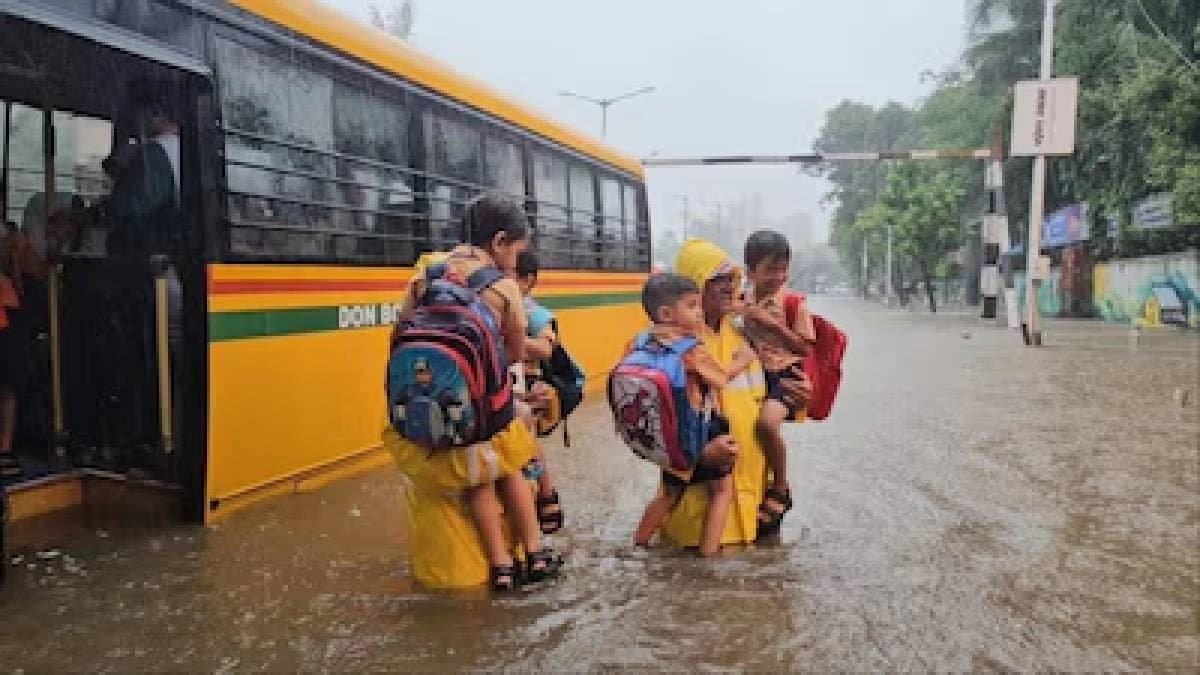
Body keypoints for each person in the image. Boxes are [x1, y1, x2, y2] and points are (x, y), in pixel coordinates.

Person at [389, 193, 562, 591]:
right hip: (488, 415)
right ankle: (534, 553)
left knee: (474, 485)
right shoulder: (503, 287)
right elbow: (515, 353)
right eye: (517, 251)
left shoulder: (425, 276)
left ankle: (499, 566)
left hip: (431, 415)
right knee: (509, 471)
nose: (516, 260)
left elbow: (399, 334)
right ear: (499, 242)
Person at [659, 238, 811, 548]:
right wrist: (699, 454)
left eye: (732, 279)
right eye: (718, 280)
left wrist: (802, 398)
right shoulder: (674, 343)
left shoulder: (742, 336)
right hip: (700, 514)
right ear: (695, 287)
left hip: (757, 504)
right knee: (700, 586)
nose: (729, 287)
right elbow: (649, 422)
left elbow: (767, 402)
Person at [627, 273, 756, 556]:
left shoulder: (639, 341)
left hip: (666, 432)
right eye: (692, 306)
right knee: (722, 490)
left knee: (670, 494)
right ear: (666, 313)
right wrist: (741, 361)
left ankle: (638, 544)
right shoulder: (691, 349)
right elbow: (720, 379)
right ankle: (708, 555)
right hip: (698, 428)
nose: (699, 312)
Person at [736, 230, 816, 537]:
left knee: (767, 426)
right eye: (770, 269)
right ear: (750, 271)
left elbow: (806, 348)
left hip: (785, 375)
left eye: (783, 269)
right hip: (753, 375)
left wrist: (772, 324)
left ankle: (781, 486)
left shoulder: (793, 303)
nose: (778, 276)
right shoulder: (742, 300)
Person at [512, 251, 564, 535]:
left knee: (529, 444)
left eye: (509, 277)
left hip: (528, 386)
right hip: (508, 387)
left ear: (527, 281)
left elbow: (546, 348)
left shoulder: (533, 312)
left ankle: (546, 491)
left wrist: (511, 336)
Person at [0, 220, 48, 479]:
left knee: (8, 387)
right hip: (11, 318)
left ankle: (6, 449)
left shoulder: (14, 240)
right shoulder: (15, 240)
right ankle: (5, 449)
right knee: (8, 389)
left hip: (9, 320)